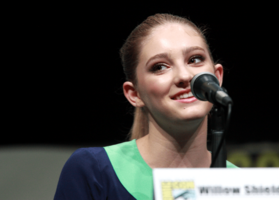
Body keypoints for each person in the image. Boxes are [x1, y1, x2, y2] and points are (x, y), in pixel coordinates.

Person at [54, 13, 237, 200]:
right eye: (159, 67)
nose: (184, 76)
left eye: (195, 59)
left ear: (217, 76)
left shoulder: (243, 186)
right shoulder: (93, 170)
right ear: (134, 94)